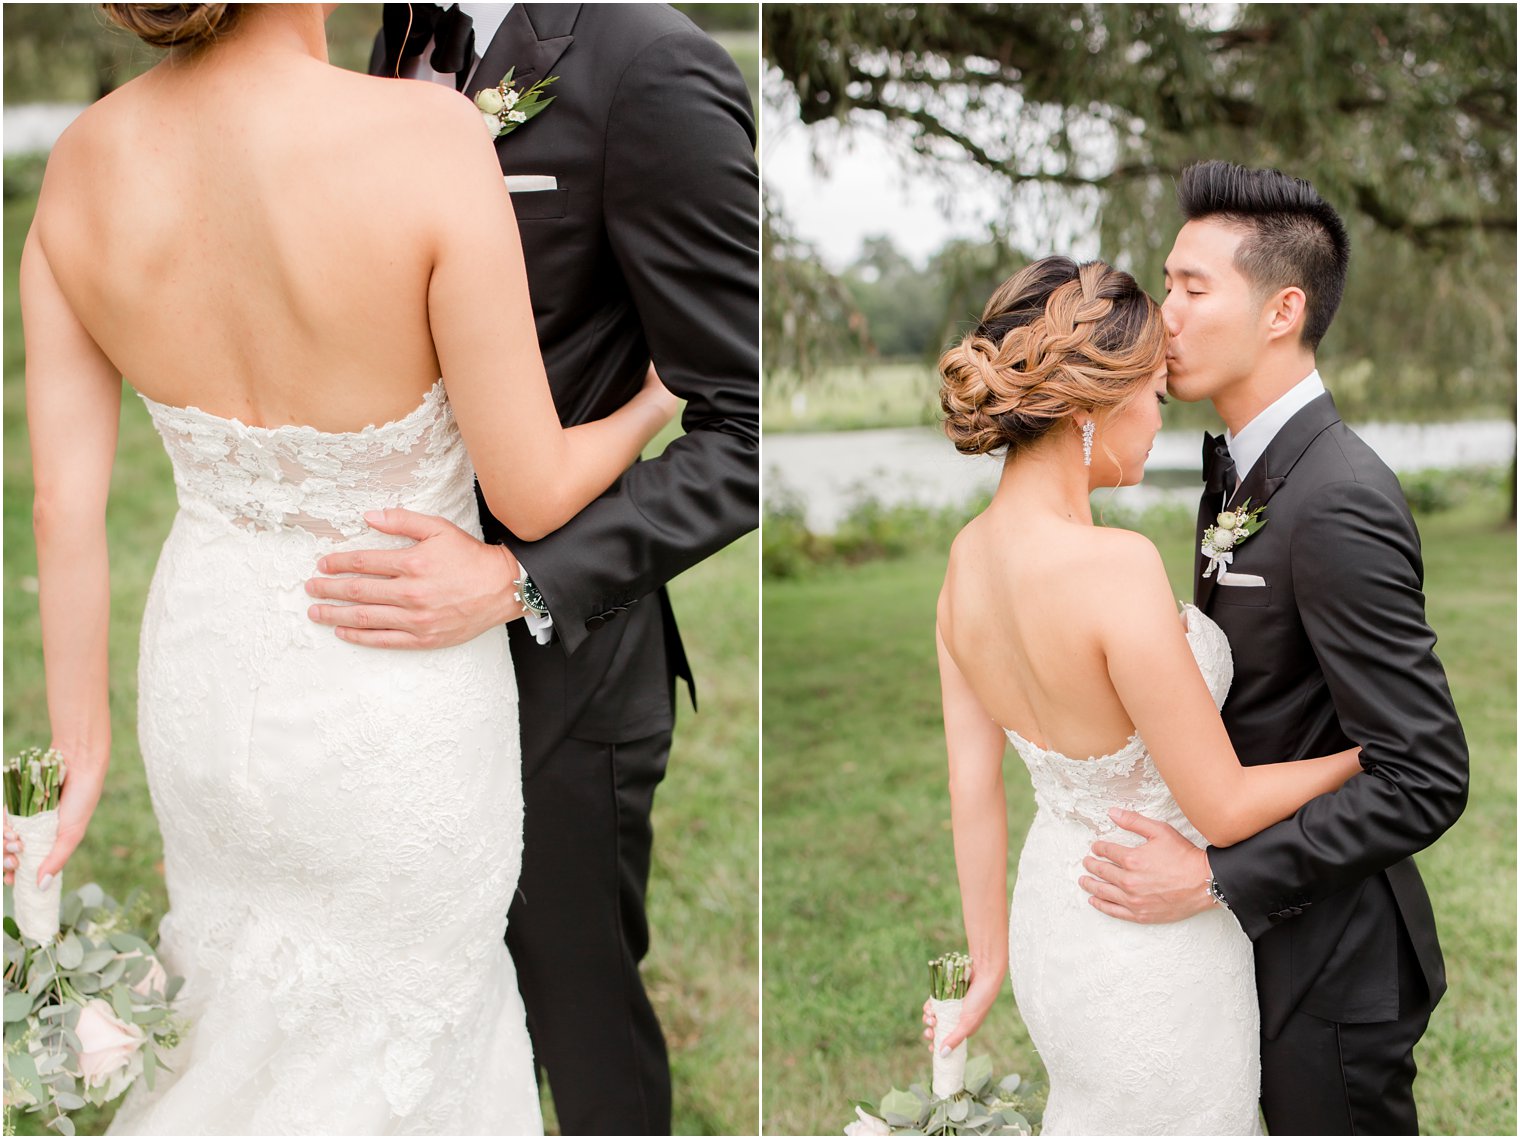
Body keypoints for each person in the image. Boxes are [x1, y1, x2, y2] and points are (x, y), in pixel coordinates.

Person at [14, 3, 682, 1131]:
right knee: (410, 1041)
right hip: (392, 695)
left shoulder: (81, 164)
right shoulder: (427, 141)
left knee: (237, 1014)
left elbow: (60, 507)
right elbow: (526, 490)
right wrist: (649, 402)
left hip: (210, 687)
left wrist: (75, 749)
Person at [300, 5, 759, 1133]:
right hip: (375, 646)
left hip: (564, 669)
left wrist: (517, 579)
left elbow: (746, 432)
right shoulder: (396, 32)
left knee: (577, 1015)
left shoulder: (650, 67)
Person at [922, 256, 1367, 1134]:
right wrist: (1364, 756)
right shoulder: (1115, 567)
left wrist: (987, 970)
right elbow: (1225, 805)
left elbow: (972, 794)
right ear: (1094, 408)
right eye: (1155, 394)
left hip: (1060, 926)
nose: (1162, 418)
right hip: (1153, 947)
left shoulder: (962, 566)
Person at [1076, 161, 1468, 1135]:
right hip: (1254, 949)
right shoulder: (1241, 476)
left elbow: (1424, 774)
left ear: (1279, 309)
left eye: (1191, 287)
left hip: (1333, 969)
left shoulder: (1337, 497)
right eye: (1164, 283)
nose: (1162, 312)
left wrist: (1215, 875)